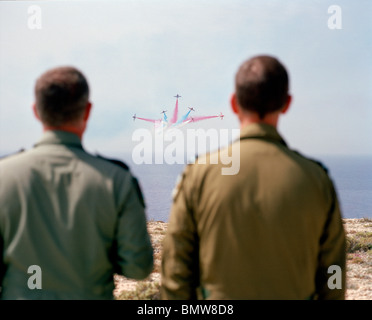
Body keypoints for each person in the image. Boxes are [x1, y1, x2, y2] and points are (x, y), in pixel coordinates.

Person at [161, 55, 346, 300]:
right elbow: (333, 273)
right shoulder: (317, 180)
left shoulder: (199, 174)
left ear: (234, 103)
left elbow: (176, 268)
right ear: (287, 103)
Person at [0, 66, 153, 299]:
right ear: (88, 110)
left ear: (36, 111)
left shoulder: (4, 175)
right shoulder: (116, 181)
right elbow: (138, 267)